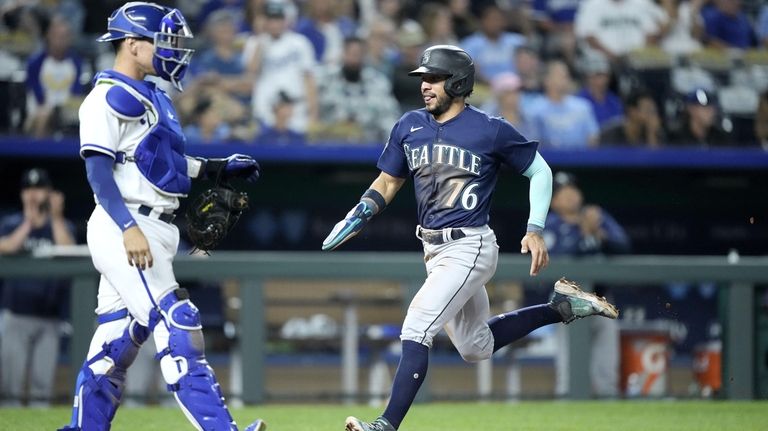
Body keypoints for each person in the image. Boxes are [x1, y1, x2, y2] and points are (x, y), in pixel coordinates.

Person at [322, 44, 618, 431]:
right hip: (433, 247)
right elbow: (389, 180)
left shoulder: (490, 129)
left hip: (470, 245)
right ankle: (560, 307)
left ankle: (386, 425)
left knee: (417, 326)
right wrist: (362, 209)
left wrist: (535, 228)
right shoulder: (408, 125)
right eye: (423, 78)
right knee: (475, 347)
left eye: (434, 78)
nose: (425, 85)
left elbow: (541, 172)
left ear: (458, 83)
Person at [57, 3, 264, 431]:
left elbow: (162, 160)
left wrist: (215, 167)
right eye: (164, 42)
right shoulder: (104, 98)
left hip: (155, 224)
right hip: (126, 223)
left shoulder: (151, 94)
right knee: (178, 321)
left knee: (115, 341)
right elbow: (98, 174)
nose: (175, 51)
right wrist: (128, 228)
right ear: (132, 45)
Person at [542, 171, 630, 398]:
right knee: (568, 370)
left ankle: (606, 410)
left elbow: (624, 247)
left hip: (602, 299)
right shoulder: (549, 223)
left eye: (573, 189)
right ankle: (566, 408)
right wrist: (584, 234)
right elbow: (557, 258)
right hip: (568, 303)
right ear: (553, 201)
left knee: (607, 370)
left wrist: (598, 233)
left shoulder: (595, 216)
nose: (570, 195)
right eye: (563, 192)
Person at [0, 168, 75, 406]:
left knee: (42, 390)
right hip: (16, 315)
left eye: (39, 189)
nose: (33, 195)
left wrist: (56, 217)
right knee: (10, 389)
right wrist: (28, 224)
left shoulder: (61, 226)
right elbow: (6, 247)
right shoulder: (11, 223)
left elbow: (68, 250)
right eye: (29, 189)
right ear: (22, 194)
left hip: (49, 318)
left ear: (49, 193)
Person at [24, 14, 85, 137]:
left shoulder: (76, 62)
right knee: (44, 114)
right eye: (58, 36)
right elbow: (37, 95)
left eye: (65, 36)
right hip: (39, 111)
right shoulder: (35, 63)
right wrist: (51, 108)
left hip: (66, 110)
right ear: (49, 36)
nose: (61, 41)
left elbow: (76, 92)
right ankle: (38, 152)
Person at [527, 60, 600, 148]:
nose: (565, 79)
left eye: (566, 75)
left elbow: (593, 138)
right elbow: (532, 141)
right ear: (547, 80)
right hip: (549, 159)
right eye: (560, 75)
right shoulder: (535, 109)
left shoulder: (583, 107)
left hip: (581, 159)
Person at [668, 88, 733, 146]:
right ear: (691, 109)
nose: (711, 112)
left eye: (712, 107)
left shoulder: (720, 137)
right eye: (705, 108)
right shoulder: (676, 138)